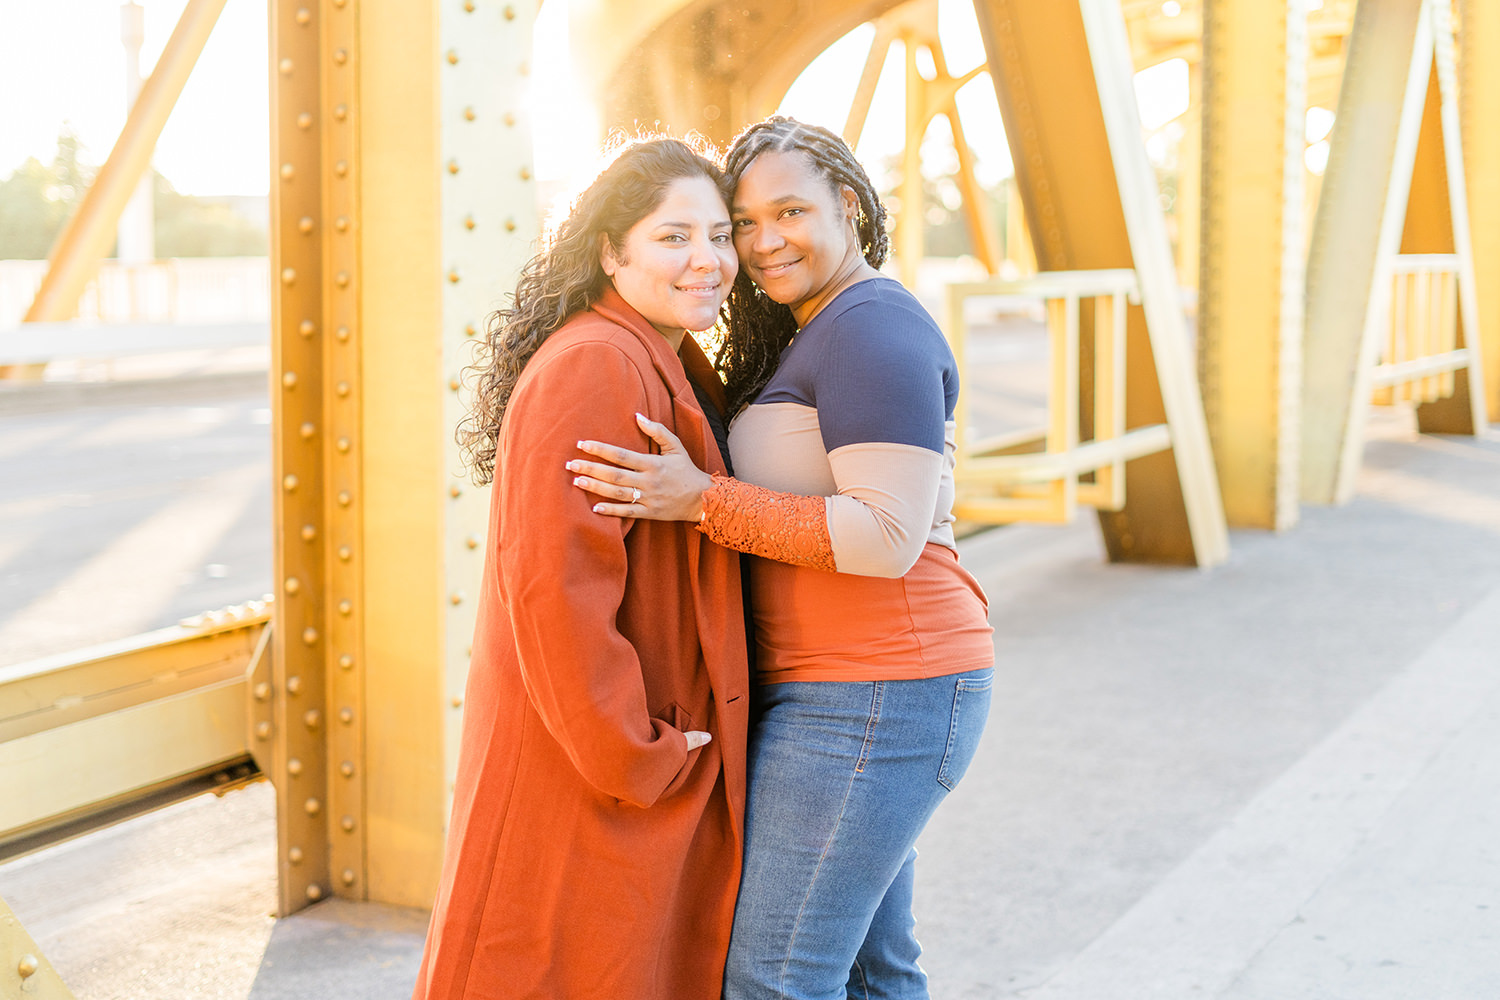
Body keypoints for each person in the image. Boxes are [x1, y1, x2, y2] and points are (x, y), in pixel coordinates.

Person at [568, 116, 995, 1000]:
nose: (763, 245)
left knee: (774, 977)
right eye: (743, 224)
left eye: (789, 212)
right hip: (844, 692)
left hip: (879, 693)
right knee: (874, 973)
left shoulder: (873, 327)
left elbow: (887, 535)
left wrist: (700, 499)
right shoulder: (821, 327)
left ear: (847, 203)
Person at [412, 137, 750, 1000]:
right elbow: (555, 585)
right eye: (673, 236)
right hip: (593, 773)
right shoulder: (598, 361)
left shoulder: (648, 348)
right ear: (610, 249)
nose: (707, 259)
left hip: (619, 764)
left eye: (720, 234)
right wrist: (642, 754)